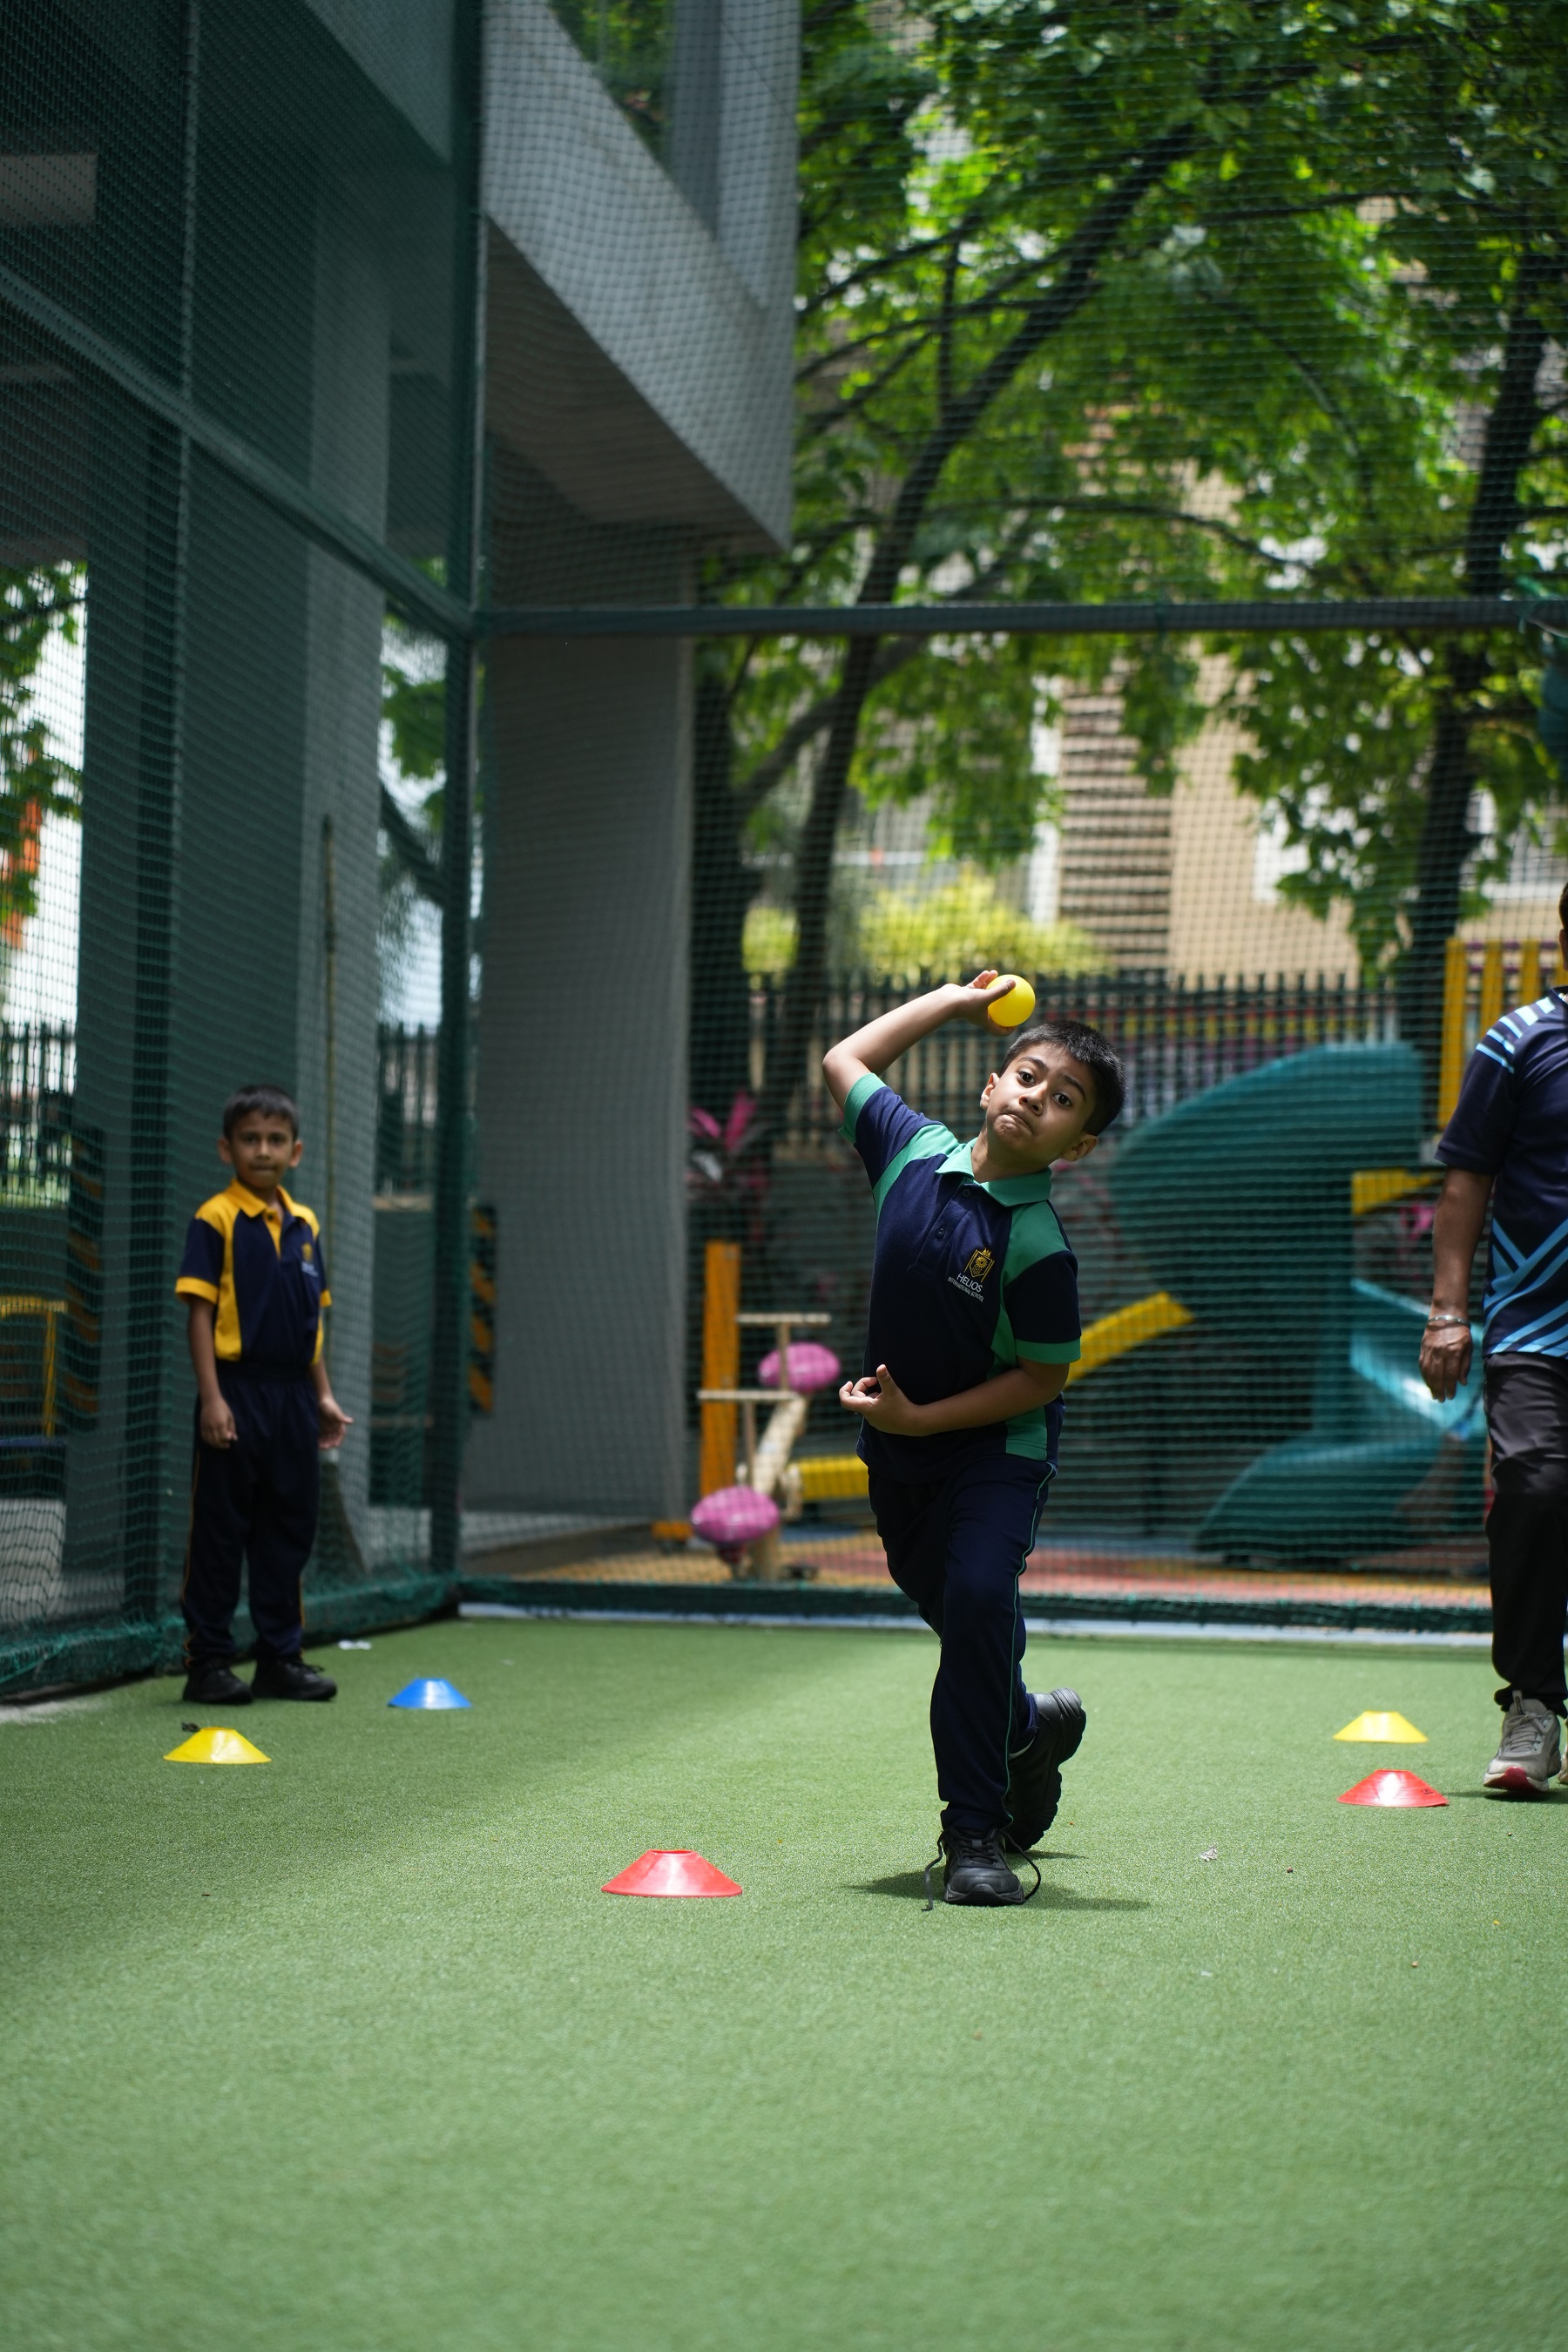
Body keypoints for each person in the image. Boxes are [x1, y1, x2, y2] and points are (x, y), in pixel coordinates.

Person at [824, 971, 1124, 1903]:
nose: (1037, 1096)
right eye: (1027, 1076)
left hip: (999, 1454)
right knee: (961, 1620)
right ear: (991, 1088)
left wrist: (923, 1419)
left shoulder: (1037, 1243)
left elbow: (1041, 1377)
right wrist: (953, 1004)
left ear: (1077, 1144)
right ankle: (1027, 1734)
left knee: (980, 1599)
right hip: (901, 1456)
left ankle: (975, 1837)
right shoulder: (912, 1153)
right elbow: (846, 1058)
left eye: (1064, 1098)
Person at [1421, 898, 1568, 1794]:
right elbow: (1467, 1178)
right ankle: (1534, 1704)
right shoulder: (1517, 1040)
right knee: (1537, 1487)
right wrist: (1448, 1311)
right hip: (1538, 1330)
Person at [174, 1085, 351, 1705]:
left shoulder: (305, 1227)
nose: (263, 1150)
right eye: (250, 1139)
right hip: (237, 1394)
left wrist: (323, 1397)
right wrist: (213, 1398)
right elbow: (200, 1314)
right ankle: (209, 1664)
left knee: (288, 1528)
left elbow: (314, 1326)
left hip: (293, 1400)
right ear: (228, 1148)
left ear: (295, 1152)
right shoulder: (214, 1219)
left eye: (276, 1140)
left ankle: (280, 1658)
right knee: (221, 1532)